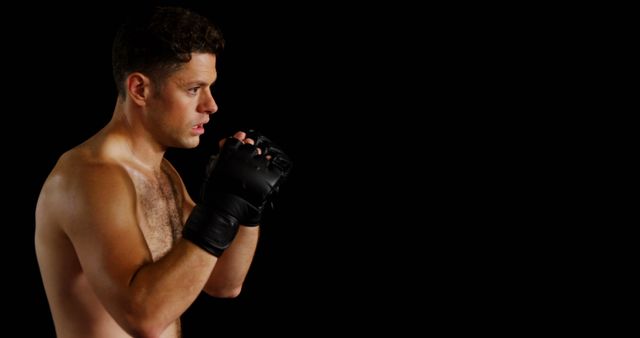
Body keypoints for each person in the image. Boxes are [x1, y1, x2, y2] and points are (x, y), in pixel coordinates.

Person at [35, 6, 291, 338]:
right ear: (140, 89)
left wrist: (245, 206)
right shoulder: (88, 178)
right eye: (193, 89)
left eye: (210, 88)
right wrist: (220, 209)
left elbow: (223, 283)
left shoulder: (163, 173)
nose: (211, 105)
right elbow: (144, 319)